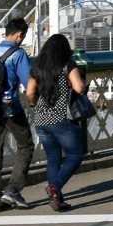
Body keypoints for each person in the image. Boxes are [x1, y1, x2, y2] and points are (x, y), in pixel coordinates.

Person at [26, 32, 88, 212]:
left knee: (53, 160)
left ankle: (58, 199)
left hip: (41, 119)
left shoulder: (38, 66)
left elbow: (30, 92)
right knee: (75, 156)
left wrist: (36, 104)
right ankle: (55, 187)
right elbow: (78, 87)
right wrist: (81, 83)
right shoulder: (67, 64)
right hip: (62, 118)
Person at [0, 15, 34, 213]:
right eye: (23, 37)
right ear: (19, 35)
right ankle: (13, 189)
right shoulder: (18, 54)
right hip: (10, 107)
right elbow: (27, 81)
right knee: (26, 145)